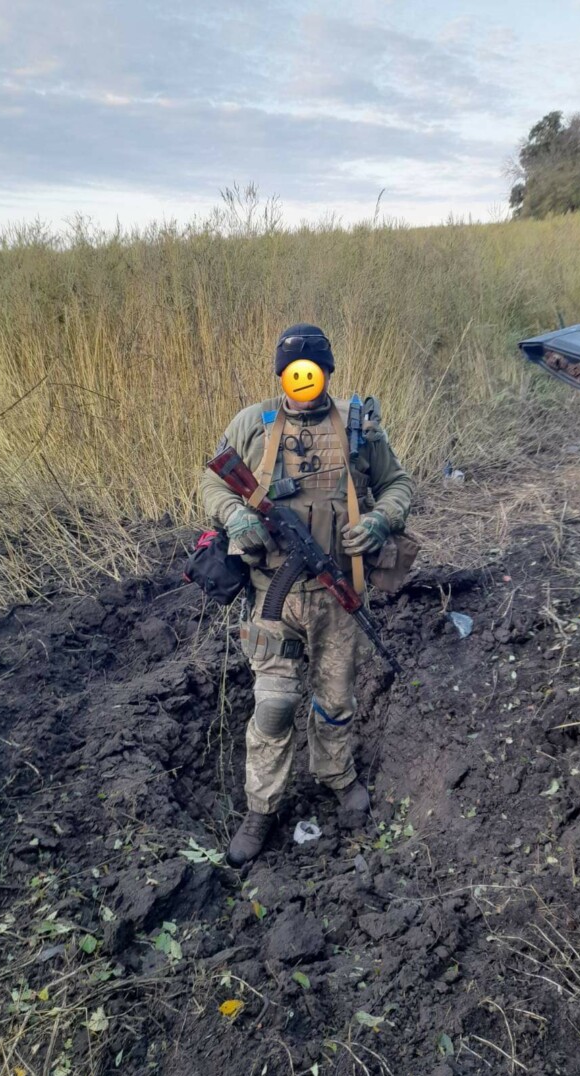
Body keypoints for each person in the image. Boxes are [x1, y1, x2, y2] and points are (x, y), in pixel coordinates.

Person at [200, 323, 414, 867]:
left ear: (327, 373)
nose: (304, 381)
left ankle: (337, 776)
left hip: (336, 596)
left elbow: (398, 484)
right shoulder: (253, 424)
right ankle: (260, 808)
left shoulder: (358, 426)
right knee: (274, 708)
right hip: (272, 596)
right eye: (294, 373)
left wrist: (383, 522)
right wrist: (236, 516)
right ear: (281, 377)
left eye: (313, 371)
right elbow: (211, 483)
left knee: (336, 700)